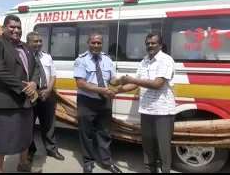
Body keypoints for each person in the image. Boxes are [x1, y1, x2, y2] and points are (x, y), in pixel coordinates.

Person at [0, 15, 42, 173]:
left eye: (19, 27)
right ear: (3, 28)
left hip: (26, 102)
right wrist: (25, 87)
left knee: (25, 136)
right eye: (12, 27)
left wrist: (34, 83)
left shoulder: (26, 47)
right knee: (0, 141)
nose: (16, 30)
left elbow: (37, 67)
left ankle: (23, 165)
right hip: (5, 102)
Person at [117, 33, 175, 173]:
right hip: (146, 110)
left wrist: (131, 80)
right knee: (148, 146)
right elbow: (135, 84)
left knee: (163, 148)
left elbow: (157, 84)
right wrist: (116, 91)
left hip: (163, 112)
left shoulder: (166, 60)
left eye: (153, 43)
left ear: (160, 45)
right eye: (148, 43)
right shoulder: (144, 61)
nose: (150, 45)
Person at [73, 32, 122, 173]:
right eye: (93, 42)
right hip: (86, 102)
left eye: (99, 43)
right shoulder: (81, 60)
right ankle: (88, 162)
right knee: (86, 134)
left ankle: (107, 162)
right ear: (88, 43)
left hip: (104, 102)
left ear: (102, 44)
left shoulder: (107, 59)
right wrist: (102, 90)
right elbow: (81, 84)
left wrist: (120, 80)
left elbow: (112, 80)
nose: (96, 45)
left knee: (105, 133)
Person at [26, 31, 65, 162]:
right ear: (28, 43)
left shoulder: (47, 57)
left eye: (40, 41)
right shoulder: (24, 58)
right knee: (29, 125)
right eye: (35, 41)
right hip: (31, 96)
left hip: (47, 94)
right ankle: (30, 151)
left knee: (48, 124)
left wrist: (49, 90)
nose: (38, 44)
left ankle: (52, 150)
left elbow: (53, 75)